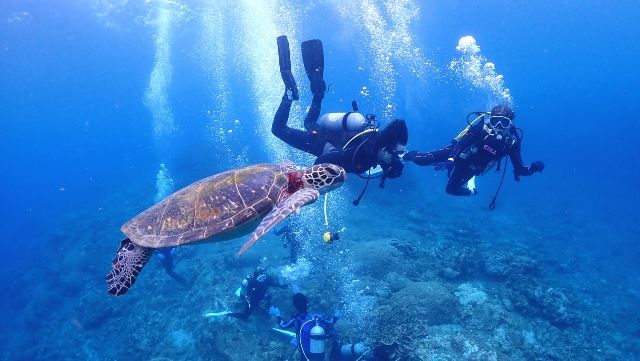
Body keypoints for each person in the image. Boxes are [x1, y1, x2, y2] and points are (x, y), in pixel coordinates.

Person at [272, 36, 407, 184]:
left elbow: (399, 125)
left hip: (327, 134)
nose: (391, 161)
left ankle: (318, 91)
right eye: (394, 156)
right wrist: (304, 183)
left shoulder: (374, 138)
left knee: (309, 122)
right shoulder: (362, 156)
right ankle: (289, 94)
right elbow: (324, 159)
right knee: (278, 129)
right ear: (386, 150)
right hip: (319, 142)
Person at [404, 105, 544, 203]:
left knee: (451, 190)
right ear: (491, 120)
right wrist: (451, 159)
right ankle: (404, 155)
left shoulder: (511, 143)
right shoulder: (481, 128)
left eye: (504, 123)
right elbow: (461, 143)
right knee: (422, 160)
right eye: (496, 121)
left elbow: (519, 169)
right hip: (457, 153)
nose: (499, 126)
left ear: (510, 124)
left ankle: (471, 190)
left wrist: (532, 168)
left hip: (471, 167)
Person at [269, 293, 346, 361]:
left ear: (295, 306)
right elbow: (330, 322)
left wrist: (277, 314)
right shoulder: (317, 317)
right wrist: (336, 316)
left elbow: (283, 325)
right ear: (307, 304)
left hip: (305, 355)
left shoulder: (296, 320)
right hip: (319, 354)